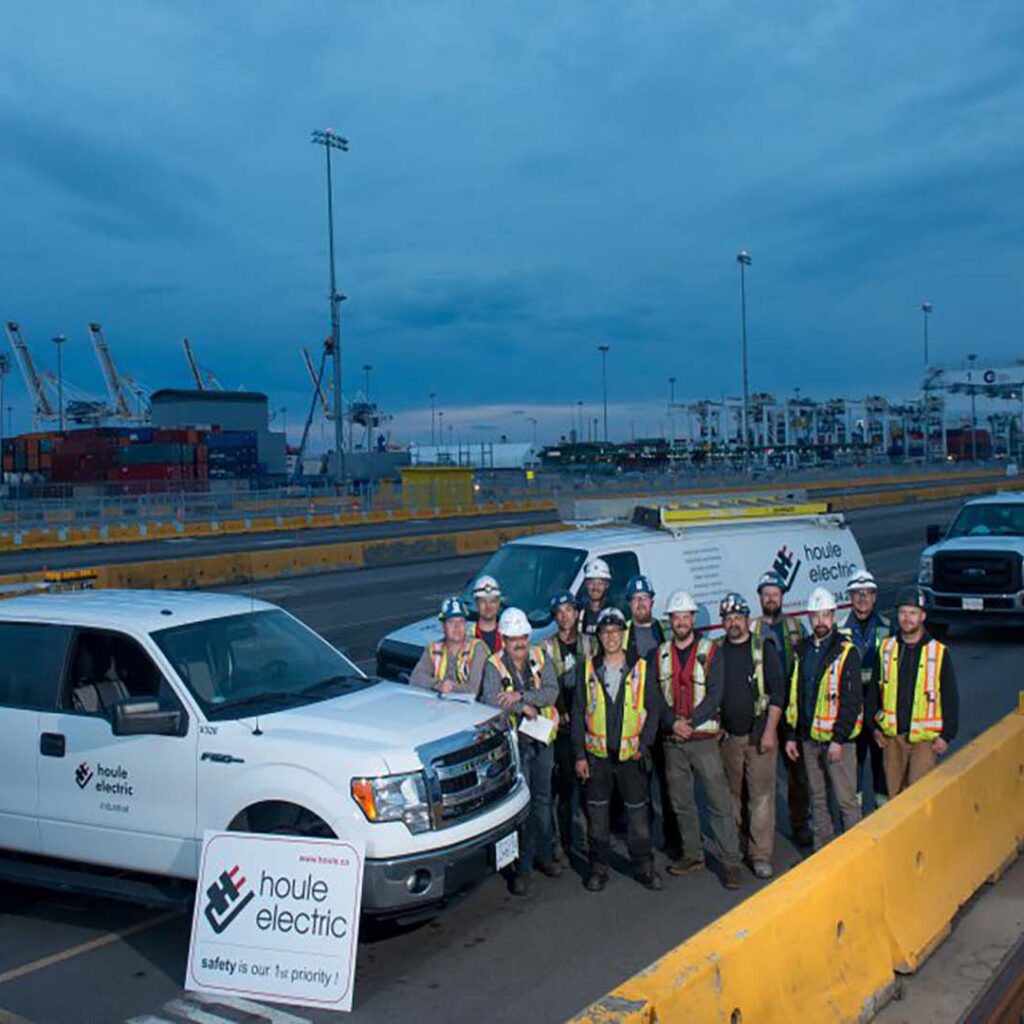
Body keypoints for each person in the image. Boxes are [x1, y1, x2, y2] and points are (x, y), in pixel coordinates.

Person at [656, 589, 743, 889]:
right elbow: (655, 695)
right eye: (675, 617)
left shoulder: (711, 651)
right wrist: (671, 722)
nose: (680, 621)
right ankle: (693, 855)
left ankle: (731, 861)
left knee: (718, 801)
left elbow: (715, 694)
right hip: (674, 741)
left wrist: (687, 722)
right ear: (670, 621)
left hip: (703, 738)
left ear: (693, 618)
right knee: (682, 802)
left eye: (684, 616)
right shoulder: (661, 653)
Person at [572, 607, 663, 892]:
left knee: (637, 817)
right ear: (599, 636)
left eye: (616, 631)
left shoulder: (641, 668)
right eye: (606, 632)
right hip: (597, 757)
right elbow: (577, 714)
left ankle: (644, 867)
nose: (611, 637)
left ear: (624, 634)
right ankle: (598, 868)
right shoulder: (586, 669)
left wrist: (644, 745)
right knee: (597, 818)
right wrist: (579, 756)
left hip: (631, 757)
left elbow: (654, 708)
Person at [481, 607, 561, 895]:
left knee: (542, 801)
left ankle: (545, 855)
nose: (520, 643)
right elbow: (492, 700)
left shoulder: (540, 657)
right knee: (520, 808)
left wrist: (521, 696)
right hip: (514, 745)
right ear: (504, 638)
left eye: (523, 637)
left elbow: (551, 692)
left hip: (542, 740)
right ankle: (522, 868)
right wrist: (523, 707)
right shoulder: (494, 665)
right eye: (514, 638)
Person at [784, 587, 864, 850]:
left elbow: (852, 701)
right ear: (809, 617)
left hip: (837, 741)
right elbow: (795, 694)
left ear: (833, 616)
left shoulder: (846, 651)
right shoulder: (802, 650)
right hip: (809, 740)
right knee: (817, 799)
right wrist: (792, 736)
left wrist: (838, 739)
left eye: (825, 615)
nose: (820, 621)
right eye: (815, 615)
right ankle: (824, 849)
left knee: (845, 800)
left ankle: (855, 850)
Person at [718, 592, 786, 879]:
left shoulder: (763, 648)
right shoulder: (718, 652)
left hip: (760, 736)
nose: (733, 622)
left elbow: (778, 691)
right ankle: (738, 847)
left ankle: (760, 855)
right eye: (728, 618)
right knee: (733, 796)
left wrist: (771, 730)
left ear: (748, 619)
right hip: (729, 738)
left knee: (760, 797)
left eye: (738, 617)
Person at [869, 586, 959, 797]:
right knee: (895, 797)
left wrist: (947, 735)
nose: (906, 618)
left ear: (923, 616)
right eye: (902, 612)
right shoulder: (886, 648)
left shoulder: (938, 652)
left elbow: (950, 696)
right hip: (892, 738)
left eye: (913, 613)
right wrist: (874, 727)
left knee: (919, 796)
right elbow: (874, 690)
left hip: (924, 741)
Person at [752, 569, 812, 850]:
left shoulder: (796, 628)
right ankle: (758, 833)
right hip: (762, 711)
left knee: (796, 774)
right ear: (760, 598)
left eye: (775, 594)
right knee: (759, 777)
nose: (771, 599)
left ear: (782, 597)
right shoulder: (752, 629)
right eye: (766, 595)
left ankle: (800, 824)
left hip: (792, 711)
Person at [623, 572, 679, 858]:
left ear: (652, 602)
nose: (640, 604)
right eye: (635, 599)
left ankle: (674, 840)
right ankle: (643, 843)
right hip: (636, 723)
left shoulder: (667, 631)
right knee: (639, 788)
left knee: (670, 783)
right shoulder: (621, 636)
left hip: (665, 719)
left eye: (644, 598)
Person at [543, 590, 591, 862]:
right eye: (560, 612)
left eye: (569, 610)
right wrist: (560, 711)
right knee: (562, 789)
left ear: (577, 613)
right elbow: (546, 685)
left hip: (586, 725)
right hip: (560, 727)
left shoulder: (589, 643)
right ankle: (561, 842)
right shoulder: (546, 648)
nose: (565, 616)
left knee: (587, 785)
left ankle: (586, 838)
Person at [841, 568, 893, 812]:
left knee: (882, 768)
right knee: (854, 768)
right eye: (857, 594)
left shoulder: (888, 628)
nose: (862, 599)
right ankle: (855, 820)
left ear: (875, 597)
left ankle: (884, 815)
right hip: (851, 710)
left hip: (880, 710)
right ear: (850, 598)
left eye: (867, 593)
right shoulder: (839, 631)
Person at [409, 596, 486, 697]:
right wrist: (438, 685)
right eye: (451, 622)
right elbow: (415, 679)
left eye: (461, 621)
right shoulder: (433, 648)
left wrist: (450, 687)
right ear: (443, 626)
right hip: (439, 708)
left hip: (471, 710)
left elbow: (473, 690)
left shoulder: (477, 648)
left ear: (466, 624)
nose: (457, 627)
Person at [579, 557, 613, 637]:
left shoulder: (613, 613)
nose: (595, 588)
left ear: (606, 585)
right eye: (591, 583)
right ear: (586, 584)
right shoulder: (579, 614)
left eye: (600, 583)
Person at [472, 575, 503, 652]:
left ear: (498, 603)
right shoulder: (467, 637)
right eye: (483, 601)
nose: (488, 606)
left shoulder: (508, 634)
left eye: (492, 601)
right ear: (476, 603)